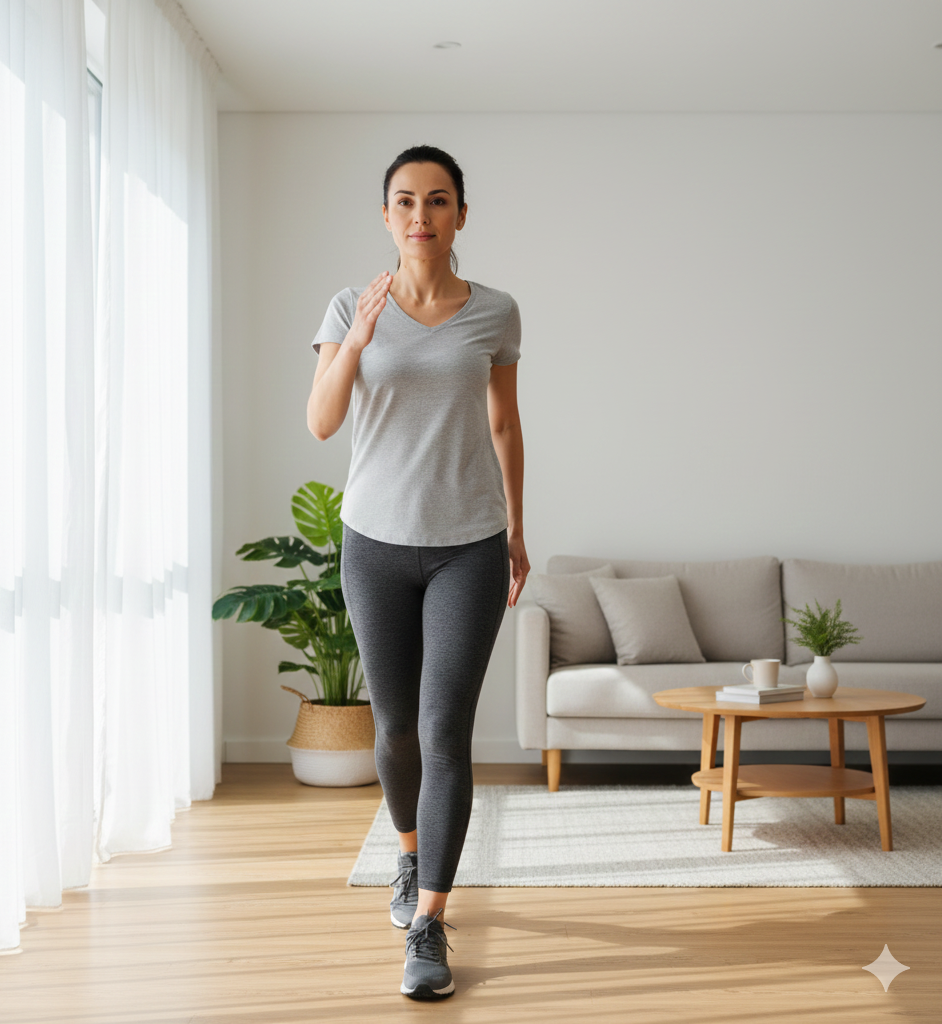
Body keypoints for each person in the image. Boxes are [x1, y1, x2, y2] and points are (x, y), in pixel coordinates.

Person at [306, 144, 529, 1000]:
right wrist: (359, 338)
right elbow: (323, 422)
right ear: (387, 215)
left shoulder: (496, 312)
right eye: (405, 201)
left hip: (468, 544)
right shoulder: (347, 305)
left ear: (460, 215)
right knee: (394, 729)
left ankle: (430, 920)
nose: (420, 216)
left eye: (438, 201)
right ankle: (408, 857)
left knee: (444, 734)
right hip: (374, 543)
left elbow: (505, 424)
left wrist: (516, 529)